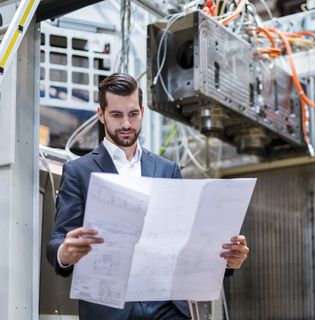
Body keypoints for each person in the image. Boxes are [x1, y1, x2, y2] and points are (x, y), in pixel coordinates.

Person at [46, 73, 249, 320]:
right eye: (116, 115)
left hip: (168, 306)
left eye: (133, 114)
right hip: (111, 308)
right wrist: (64, 252)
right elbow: (57, 239)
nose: (126, 125)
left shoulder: (167, 169)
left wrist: (226, 262)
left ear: (142, 111)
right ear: (101, 114)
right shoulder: (78, 172)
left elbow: (184, 241)